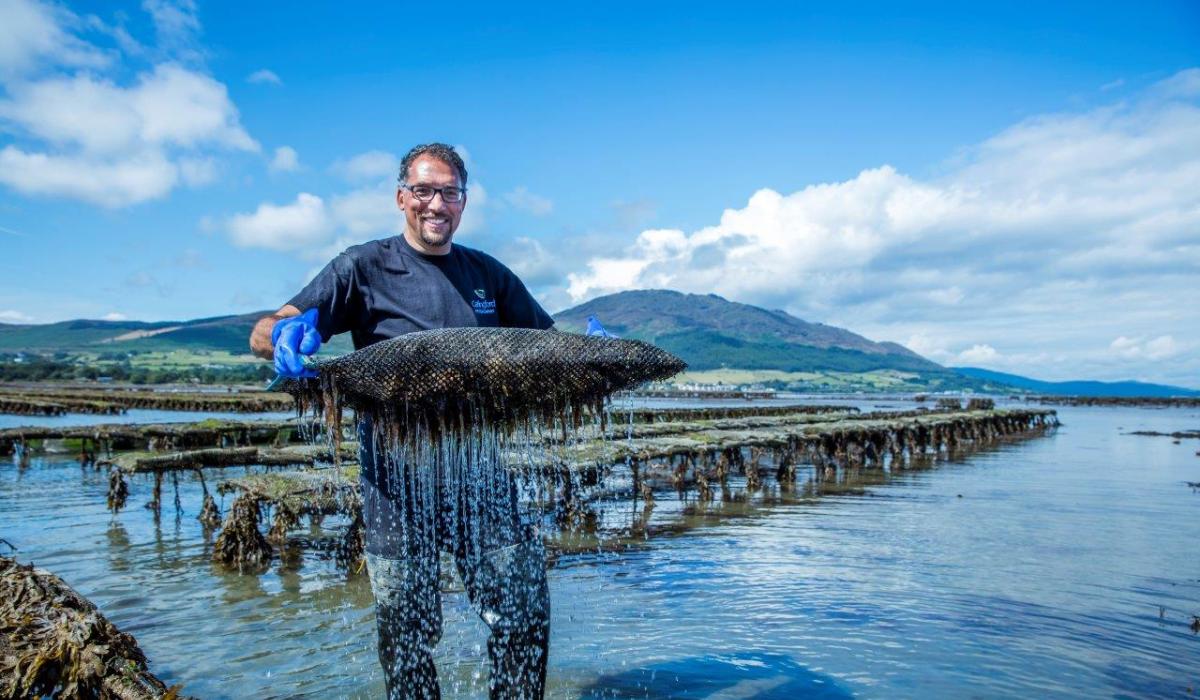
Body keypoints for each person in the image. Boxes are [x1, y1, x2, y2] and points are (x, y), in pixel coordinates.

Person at [249, 143, 554, 699]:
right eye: (423, 191)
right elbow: (266, 329)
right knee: (406, 634)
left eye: (449, 192)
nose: (435, 203)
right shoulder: (363, 268)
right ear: (401, 197)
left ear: (463, 202)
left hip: (479, 475)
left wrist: (595, 352)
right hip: (394, 482)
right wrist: (281, 336)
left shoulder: (488, 274)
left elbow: (547, 347)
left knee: (524, 611)